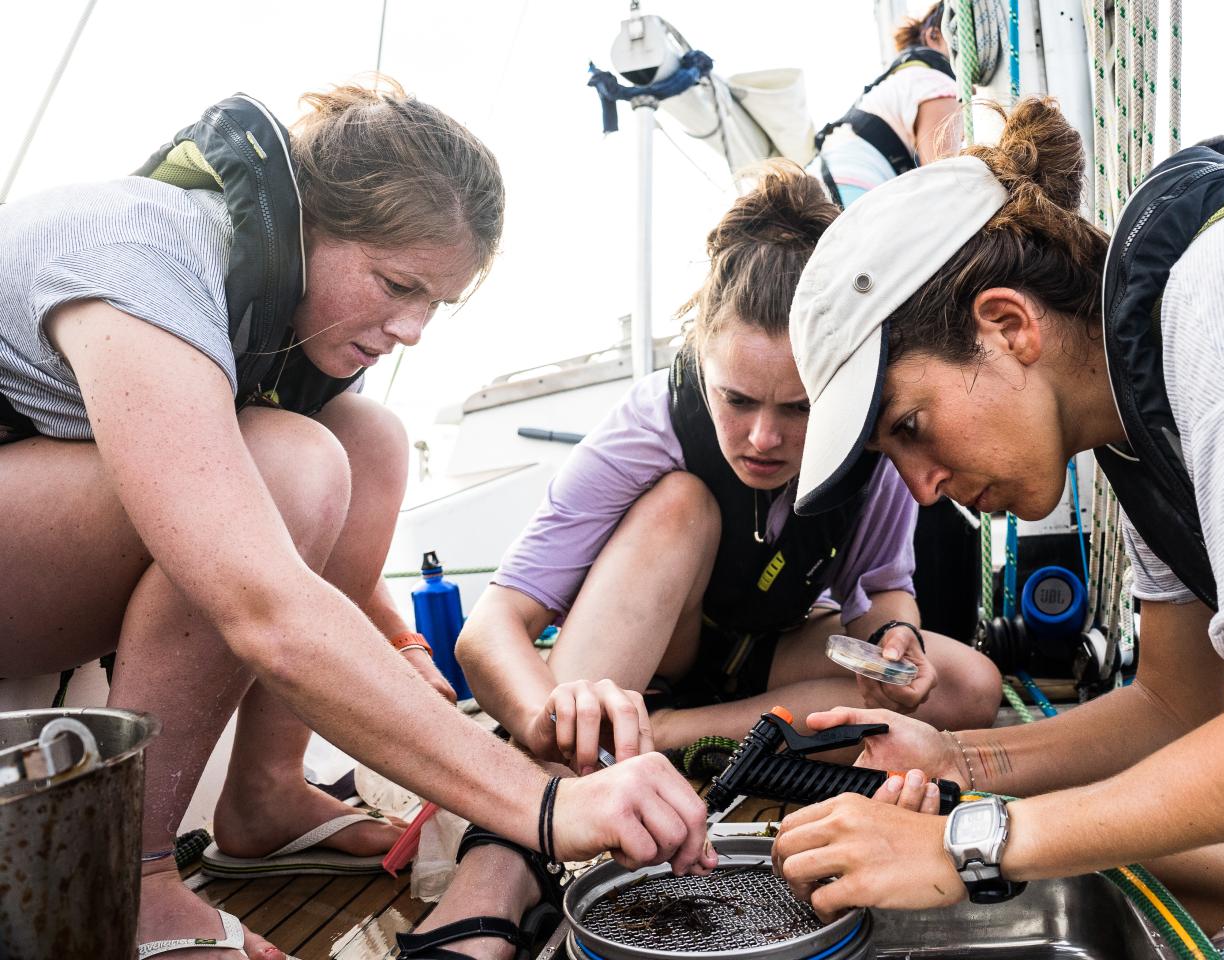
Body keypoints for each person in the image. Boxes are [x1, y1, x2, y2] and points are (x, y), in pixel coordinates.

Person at [0, 79, 713, 960]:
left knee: (364, 438)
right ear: (307, 224)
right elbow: (262, 602)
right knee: (292, 464)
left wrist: (404, 649)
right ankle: (128, 877)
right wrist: (545, 805)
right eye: (396, 284)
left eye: (435, 305)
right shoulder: (145, 258)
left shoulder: (277, 309)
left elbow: (287, 551)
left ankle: (261, 796)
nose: (411, 328)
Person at [770, 97, 1224, 930]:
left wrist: (967, 841)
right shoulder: (1141, 427)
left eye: (910, 426)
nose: (923, 488)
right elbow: (1171, 707)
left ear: (1008, 325)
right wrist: (956, 759)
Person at [459, 161, 1001, 781]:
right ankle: (613, 737)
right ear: (701, 357)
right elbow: (491, 627)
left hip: (770, 652)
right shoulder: (649, 425)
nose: (763, 439)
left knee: (969, 687)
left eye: (800, 408)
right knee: (681, 502)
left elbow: (878, 590)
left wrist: (896, 641)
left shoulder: (870, 442)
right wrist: (542, 717)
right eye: (737, 400)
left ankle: (661, 736)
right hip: (657, 655)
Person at [810, 2, 961, 208]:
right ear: (933, 36)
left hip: (819, 190)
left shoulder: (899, 81)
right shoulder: (935, 82)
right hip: (848, 196)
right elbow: (945, 183)